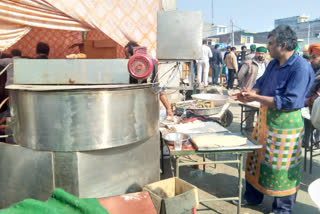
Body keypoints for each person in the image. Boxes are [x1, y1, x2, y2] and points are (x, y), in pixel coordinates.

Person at [232, 25, 314, 214]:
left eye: (270, 44)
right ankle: (253, 197)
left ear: (283, 45)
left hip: (285, 123)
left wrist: (256, 98)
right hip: (265, 120)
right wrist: (249, 93)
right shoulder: (273, 64)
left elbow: (289, 101)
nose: (267, 48)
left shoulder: (300, 68)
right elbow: (260, 84)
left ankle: (282, 209)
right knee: (255, 160)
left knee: (281, 167)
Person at [124, 41, 174, 120]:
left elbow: (158, 89)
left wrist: (168, 109)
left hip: (147, 106)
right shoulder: (132, 68)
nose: (126, 58)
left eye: (127, 56)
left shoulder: (148, 65)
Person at [237, 46, 269, 133]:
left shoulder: (268, 64)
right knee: (249, 112)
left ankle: (259, 131)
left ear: (265, 54)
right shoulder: (248, 63)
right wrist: (243, 86)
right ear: (255, 53)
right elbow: (240, 75)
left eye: (262, 54)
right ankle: (249, 130)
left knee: (261, 112)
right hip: (249, 90)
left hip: (262, 93)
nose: (260, 55)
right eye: (259, 53)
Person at [303, 43, 320, 147]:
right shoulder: (313, 69)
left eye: (315, 57)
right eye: (311, 57)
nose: (312, 60)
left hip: (317, 105)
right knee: (308, 124)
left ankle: (317, 141)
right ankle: (307, 141)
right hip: (309, 105)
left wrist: (314, 97)